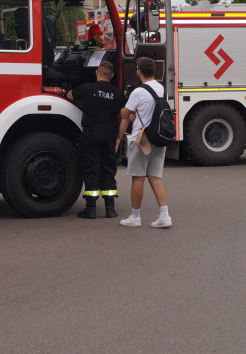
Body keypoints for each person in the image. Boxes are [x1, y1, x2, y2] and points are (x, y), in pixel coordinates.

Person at [115, 56, 171, 228]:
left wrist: (127, 112)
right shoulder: (161, 89)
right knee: (155, 177)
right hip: (159, 137)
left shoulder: (138, 92)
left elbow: (124, 114)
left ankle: (135, 216)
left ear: (139, 71)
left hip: (142, 139)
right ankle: (164, 216)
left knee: (138, 178)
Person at [67, 61, 125, 219]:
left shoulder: (87, 88)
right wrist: (119, 137)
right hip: (110, 135)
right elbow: (125, 115)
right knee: (108, 169)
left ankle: (91, 209)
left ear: (96, 73)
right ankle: (110, 208)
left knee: (91, 169)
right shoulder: (119, 94)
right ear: (111, 76)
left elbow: (70, 95)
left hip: (91, 133)